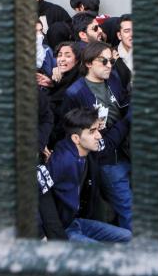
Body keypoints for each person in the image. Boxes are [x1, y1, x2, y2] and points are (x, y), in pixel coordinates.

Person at [61, 42, 132, 231]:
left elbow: (124, 104)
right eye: (104, 61)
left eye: (112, 60)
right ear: (89, 63)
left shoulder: (113, 79)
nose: (109, 65)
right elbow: (73, 131)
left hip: (127, 151)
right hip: (106, 159)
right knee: (128, 208)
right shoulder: (75, 92)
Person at [40, 107, 132, 243]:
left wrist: (127, 119)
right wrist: (42, 235)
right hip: (63, 230)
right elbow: (34, 190)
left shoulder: (86, 148)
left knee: (128, 236)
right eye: (92, 132)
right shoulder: (63, 160)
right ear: (76, 138)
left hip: (77, 222)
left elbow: (109, 142)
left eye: (98, 130)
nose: (99, 136)